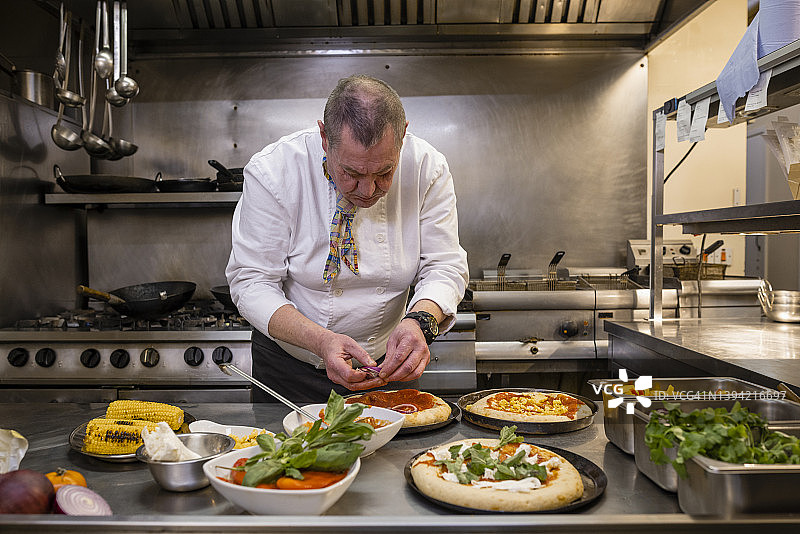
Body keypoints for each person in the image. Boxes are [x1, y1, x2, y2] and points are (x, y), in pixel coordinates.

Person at [226, 74, 468, 402]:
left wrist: (419, 321)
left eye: (384, 173)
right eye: (351, 174)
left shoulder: (428, 168)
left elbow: (444, 265)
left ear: (403, 135)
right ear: (325, 138)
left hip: (386, 367)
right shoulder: (275, 171)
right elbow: (252, 282)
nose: (368, 191)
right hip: (291, 368)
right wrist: (321, 341)